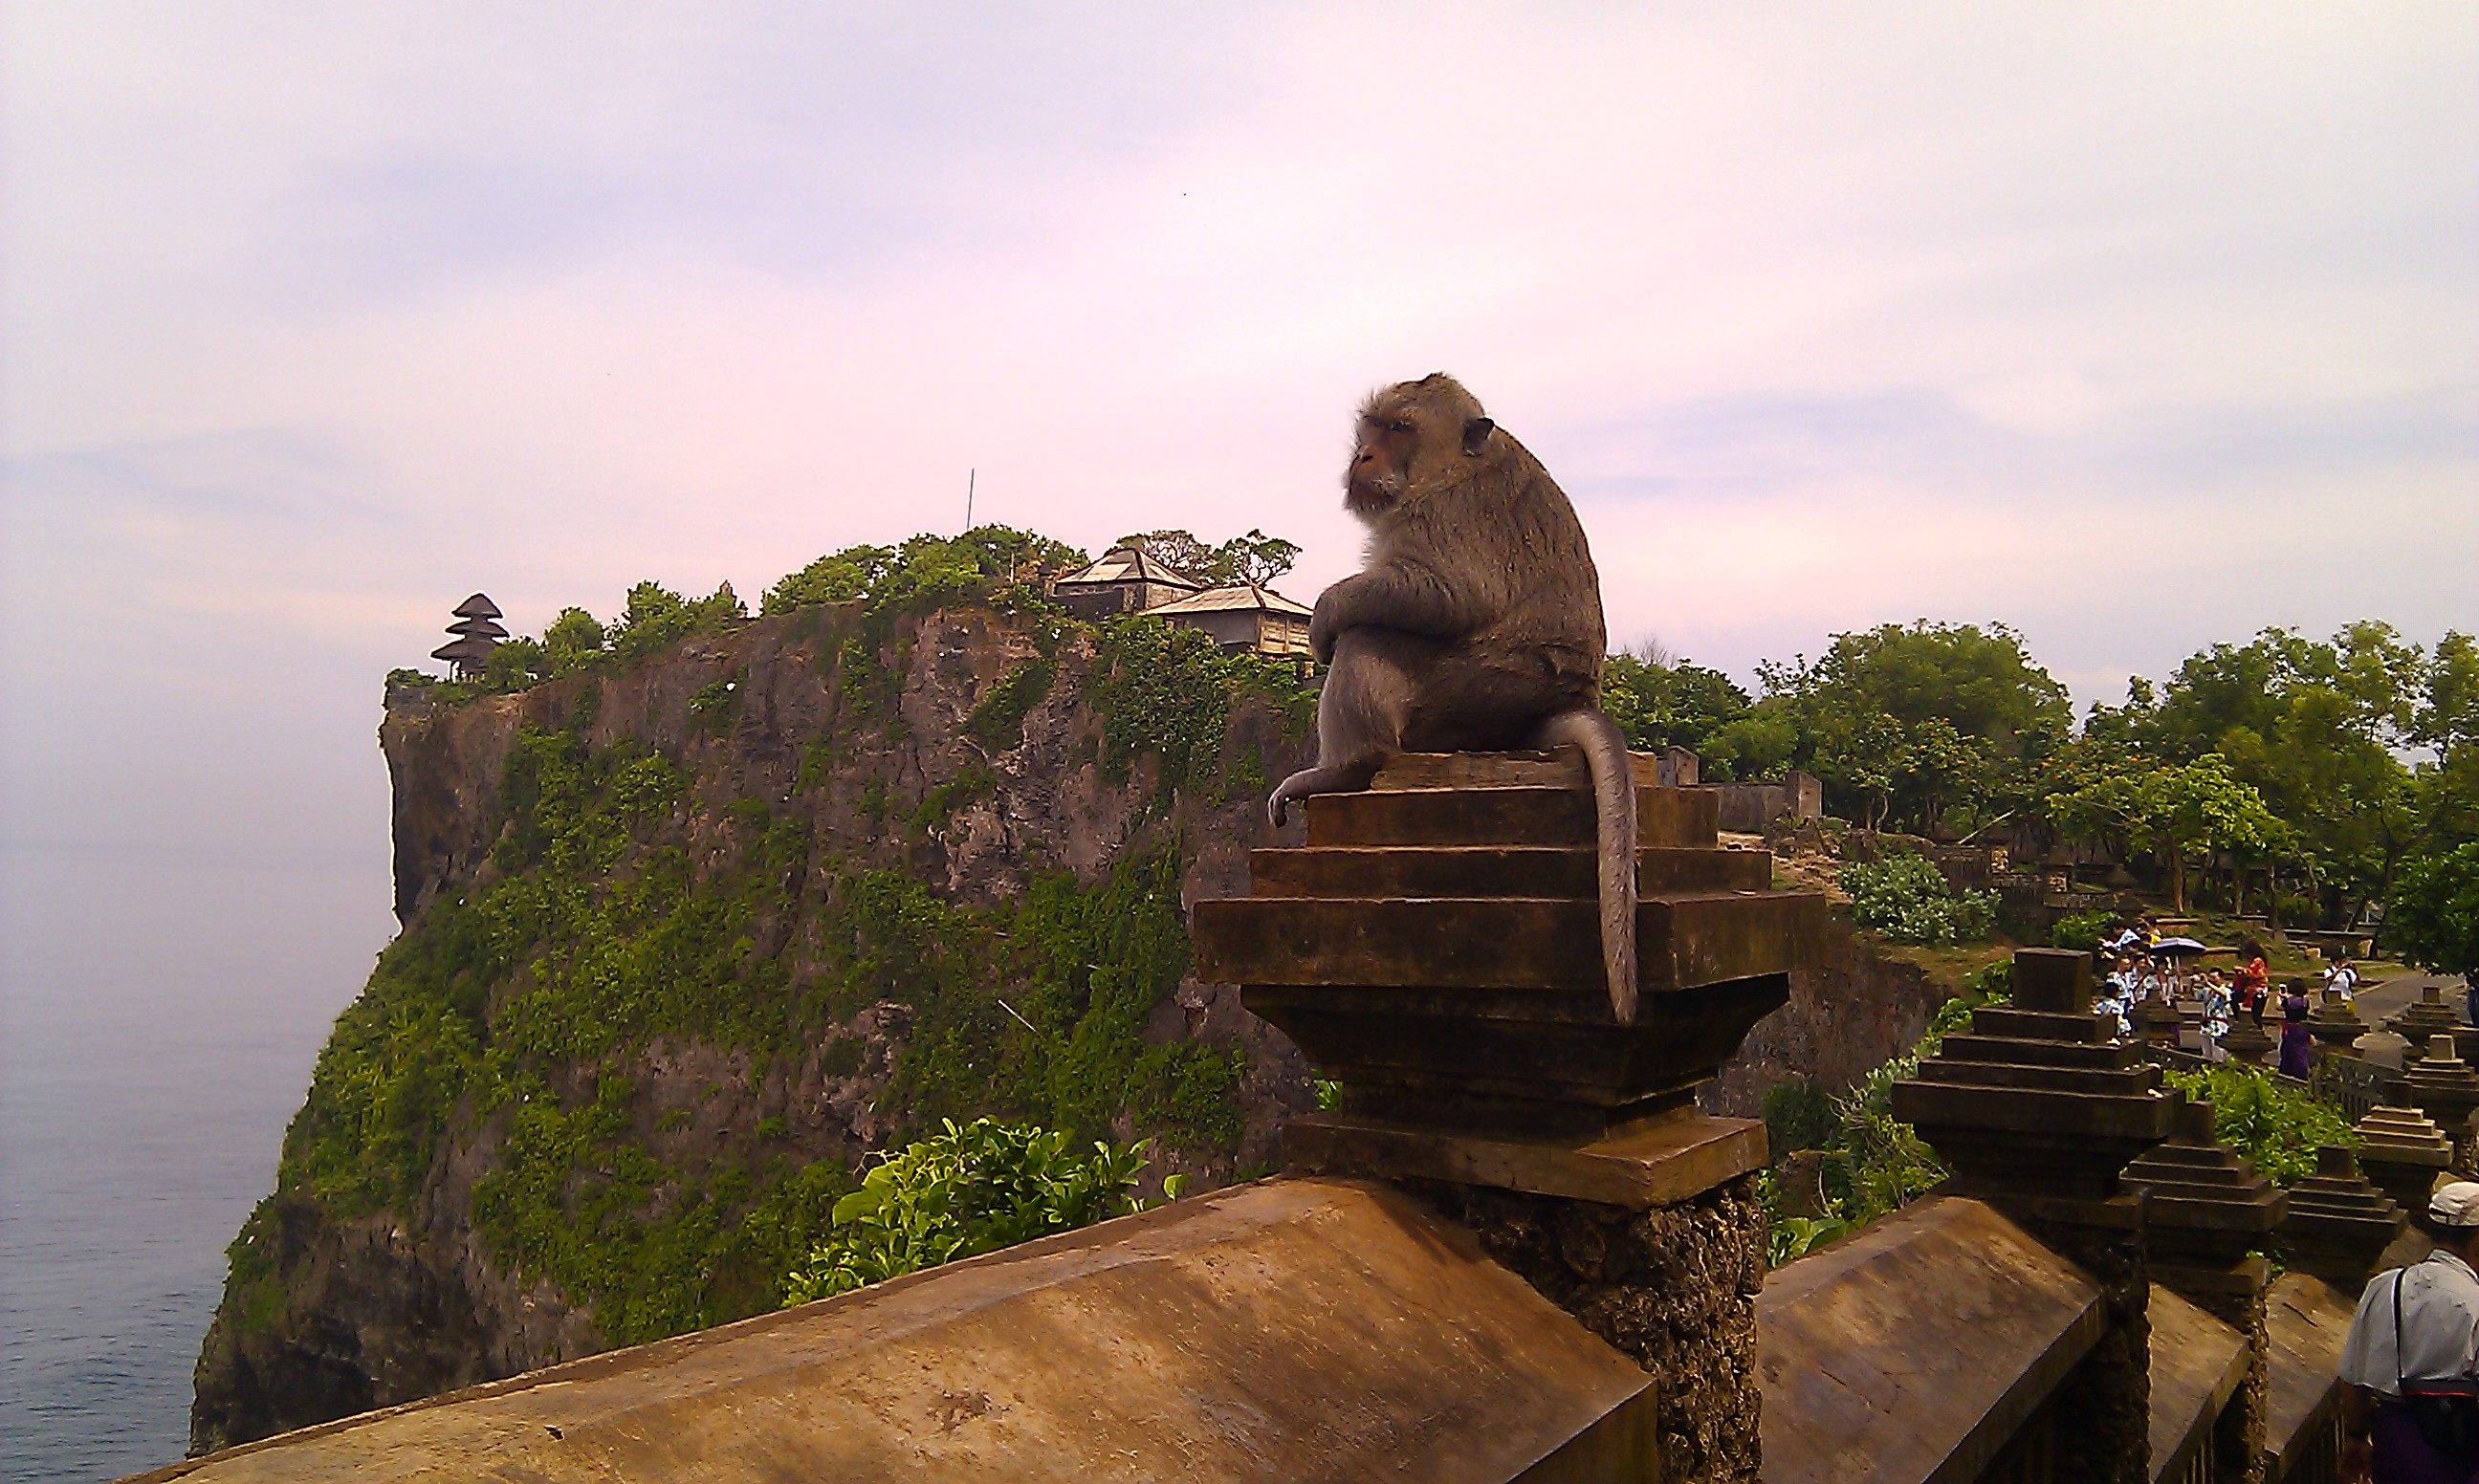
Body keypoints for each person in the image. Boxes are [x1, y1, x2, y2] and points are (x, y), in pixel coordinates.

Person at [2338, 1182, 2479, 1482]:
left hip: (2395, 1438)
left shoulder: (2385, 1286)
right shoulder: (2474, 1300)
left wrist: (2355, 1437)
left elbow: (2353, 1378)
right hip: (2459, 1441)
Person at [2280, 980, 2314, 1080]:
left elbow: (2279, 1007)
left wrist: (2279, 997)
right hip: (2303, 1028)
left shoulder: (2289, 1001)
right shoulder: (2305, 1001)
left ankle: (2287, 1073)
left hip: (2290, 1029)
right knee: (2301, 1051)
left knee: (2287, 1051)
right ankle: (2302, 1073)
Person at [2199, 971, 2233, 1063]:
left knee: (2218, 1052)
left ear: (2221, 978)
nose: (2212, 980)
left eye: (2214, 978)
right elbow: (2195, 995)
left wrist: (2208, 983)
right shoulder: (2207, 991)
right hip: (2206, 1024)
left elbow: (2223, 995)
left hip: (2219, 1024)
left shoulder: (2226, 990)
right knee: (2206, 1054)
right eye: (2210, 978)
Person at [2237, 939, 2272, 1026]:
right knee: (2256, 1015)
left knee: (2256, 1015)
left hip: (2257, 990)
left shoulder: (2257, 961)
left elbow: (2251, 973)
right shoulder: (2262, 961)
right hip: (2260, 990)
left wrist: (2241, 970)